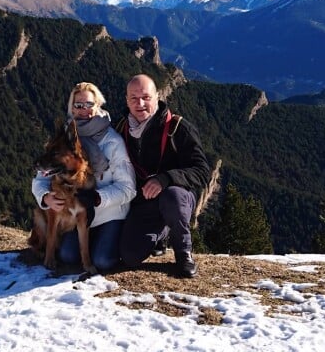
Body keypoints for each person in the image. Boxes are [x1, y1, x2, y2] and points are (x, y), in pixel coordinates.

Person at [32, 82, 136, 272]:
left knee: (103, 260)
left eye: (89, 104)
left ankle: (109, 242)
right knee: (68, 256)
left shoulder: (113, 141)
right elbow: (40, 179)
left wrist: (97, 198)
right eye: (78, 105)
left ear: (98, 106)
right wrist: (45, 198)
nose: (84, 110)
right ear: (71, 108)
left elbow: (128, 189)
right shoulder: (63, 140)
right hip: (76, 218)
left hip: (107, 215)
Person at [118, 74, 210, 277]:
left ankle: (183, 253)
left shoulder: (178, 128)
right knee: (129, 256)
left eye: (146, 97)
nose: (140, 103)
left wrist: (166, 179)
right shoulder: (120, 129)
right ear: (126, 100)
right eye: (133, 98)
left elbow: (202, 171)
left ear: (157, 97)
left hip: (177, 197)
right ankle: (162, 233)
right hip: (145, 202)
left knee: (172, 197)